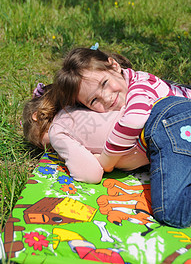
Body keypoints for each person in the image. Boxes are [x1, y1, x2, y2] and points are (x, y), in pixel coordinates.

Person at [53, 46, 191, 228]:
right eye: (94, 101)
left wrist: (106, 160)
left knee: (172, 211)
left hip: (175, 118)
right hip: (177, 123)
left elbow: (133, 121)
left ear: (114, 66)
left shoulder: (140, 86)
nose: (107, 97)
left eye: (104, 83)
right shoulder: (127, 84)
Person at [23, 83, 149, 184]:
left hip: (152, 136)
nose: (49, 150)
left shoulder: (56, 131)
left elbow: (90, 175)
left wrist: (96, 160)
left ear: (37, 117)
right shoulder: (76, 108)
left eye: (40, 145)